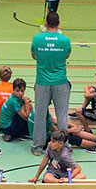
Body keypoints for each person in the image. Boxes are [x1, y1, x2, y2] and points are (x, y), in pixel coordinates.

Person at [29, 10, 73, 156]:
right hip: (60, 81)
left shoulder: (37, 39)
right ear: (59, 23)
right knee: (62, 116)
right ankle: (64, 146)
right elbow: (66, 55)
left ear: (46, 23)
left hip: (42, 82)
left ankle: (37, 146)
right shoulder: (65, 40)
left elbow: (34, 56)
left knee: (40, 115)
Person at [0, 70, 31, 141]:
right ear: (13, 90)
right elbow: (26, 117)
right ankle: (11, 134)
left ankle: (23, 132)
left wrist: (27, 104)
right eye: (17, 91)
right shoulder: (14, 101)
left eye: (22, 91)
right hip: (7, 127)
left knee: (23, 108)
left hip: (6, 123)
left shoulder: (15, 97)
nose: (20, 93)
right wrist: (27, 104)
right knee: (22, 117)